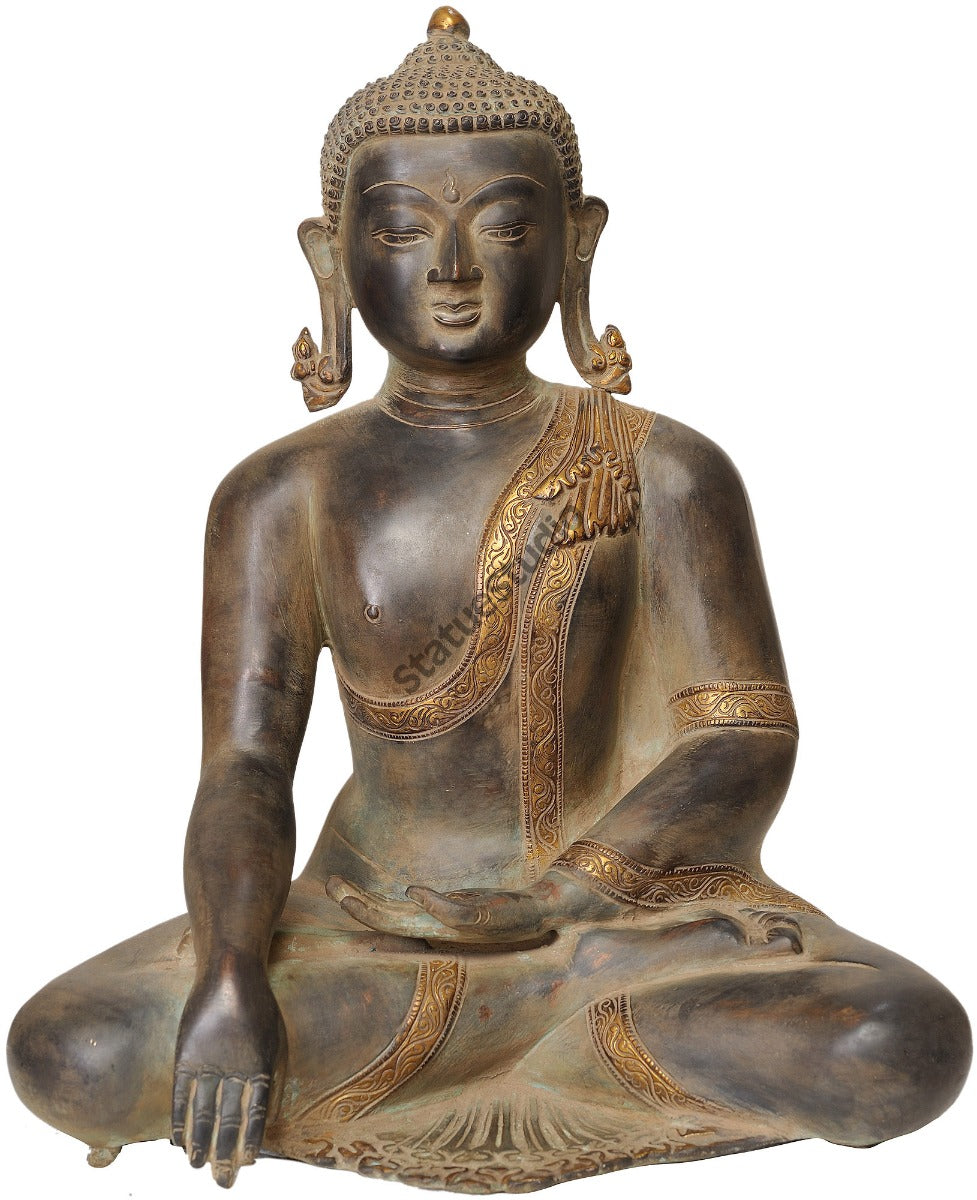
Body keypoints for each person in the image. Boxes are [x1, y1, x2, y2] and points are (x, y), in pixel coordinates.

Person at [8, 8, 971, 1192]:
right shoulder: (280, 493)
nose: (453, 270)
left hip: (615, 932)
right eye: (402, 230)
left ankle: (528, 1030)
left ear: (575, 244)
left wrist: (563, 899)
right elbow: (245, 769)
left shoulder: (662, 467)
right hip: (370, 933)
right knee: (69, 1049)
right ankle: (556, 1055)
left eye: (505, 227)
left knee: (897, 1040)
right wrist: (228, 977)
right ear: (329, 257)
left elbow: (740, 734)